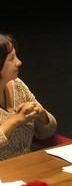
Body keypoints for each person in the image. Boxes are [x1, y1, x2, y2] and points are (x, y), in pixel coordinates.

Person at [0, 33, 57, 161]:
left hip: (28, 167)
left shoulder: (17, 85)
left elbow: (48, 133)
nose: (19, 62)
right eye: (11, 58)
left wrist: (41, 115)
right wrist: (15, 121)